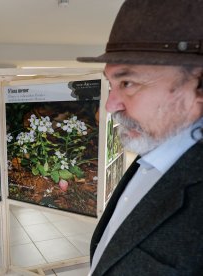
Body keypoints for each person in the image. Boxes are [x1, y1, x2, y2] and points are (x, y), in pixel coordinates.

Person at [77, 0, 203, 275]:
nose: (110, 106)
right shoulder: (153, 153)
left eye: (127, 83)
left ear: (198, 84)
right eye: (111, 84)